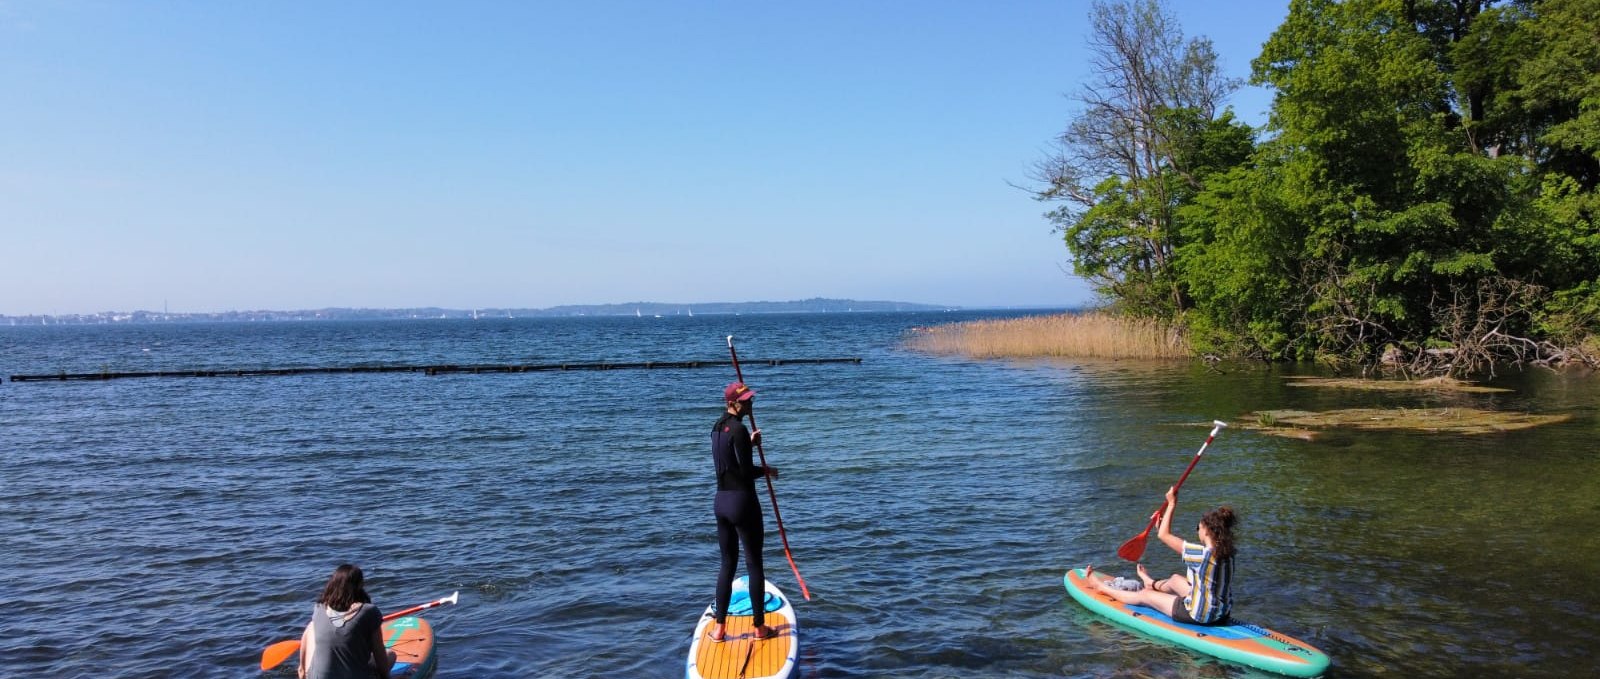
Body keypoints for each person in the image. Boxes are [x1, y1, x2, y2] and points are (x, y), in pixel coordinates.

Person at [1090, 486, 1237, 625]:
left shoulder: (1202, 555)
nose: (1197, 531)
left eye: (1198, 527)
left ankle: (1102, 587)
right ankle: (1150, 583)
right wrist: (1162, 525)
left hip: (1200, 616)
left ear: (1206, 531)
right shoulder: (1229, 552)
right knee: (1175, 579)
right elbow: (1166, 535)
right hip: (1222, 614)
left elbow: (1163, 535)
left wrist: (1171, 503)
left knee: (1145, 596)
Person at [707, 381, 780, 642]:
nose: (751, 403)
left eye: (750, 399)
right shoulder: (739, 429)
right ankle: (760, 628)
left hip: (721, 503)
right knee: (754, 563)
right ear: (732, 403)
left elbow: (729, 462)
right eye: (746, 400)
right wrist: (768, 470)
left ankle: (719, 628)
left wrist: (748, 444)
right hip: (742, 503)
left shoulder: (717, 428)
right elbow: (746, 473)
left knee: (727, 564)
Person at [298, 564, 395, 679]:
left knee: (311, 627)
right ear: (360, 585)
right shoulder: (369, 611)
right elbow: (379, 654)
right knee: (390, 655)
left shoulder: (319, 608)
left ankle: (302, 671)